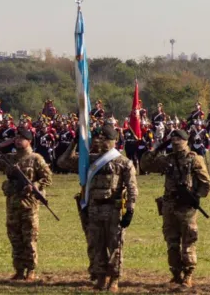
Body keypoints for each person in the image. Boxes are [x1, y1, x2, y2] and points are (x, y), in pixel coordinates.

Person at [58, 122, 138, 292]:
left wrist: (130, 209)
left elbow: (132, 188)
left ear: (113, 141)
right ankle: (101, 277)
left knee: (115, 245)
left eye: (104, 139)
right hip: (94, 209)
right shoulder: (90, 160)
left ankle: (114, 279)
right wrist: (75, 142)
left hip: (114, 209)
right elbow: (63, 162)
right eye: (98, 138)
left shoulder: (123, 162)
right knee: (97, 245)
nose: (100, 142)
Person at [0, 128, 53, 281]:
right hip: (12, 205)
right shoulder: (10, 158)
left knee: (29, 238)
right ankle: (19, 269)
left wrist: (34, 185)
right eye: (16, 138)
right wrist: (1, 145)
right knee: (15, 238)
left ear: (29, 141)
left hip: (29, 205)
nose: (17, 141)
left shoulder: (36, 159)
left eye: (21, 138)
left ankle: (30, 270)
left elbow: (47, 178)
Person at [154, 128, 210, 286]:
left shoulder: (194, 159)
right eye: (173, 141)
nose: (175, 143)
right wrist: (157, 149)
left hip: (186, 207)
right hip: (169, 205)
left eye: (178, 140)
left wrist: (196, 197)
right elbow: (146, 164)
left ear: (185, 141)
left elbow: (205, 183)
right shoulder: (168, 159)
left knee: (188, 240)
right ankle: (176, 272)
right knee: (171, 241)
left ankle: (188, 274)